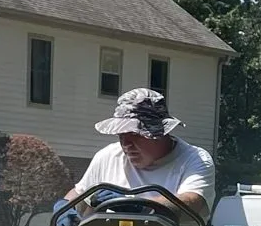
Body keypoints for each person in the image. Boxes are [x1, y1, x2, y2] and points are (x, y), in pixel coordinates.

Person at [66, 86, 216, 217]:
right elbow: (80, 194)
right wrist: (66, 208)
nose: (126, 144)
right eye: (121, 135)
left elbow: (192, 203)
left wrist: (140, 205)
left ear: (160, 133)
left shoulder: (195, 159)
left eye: (134, 135)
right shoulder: (108, 156)